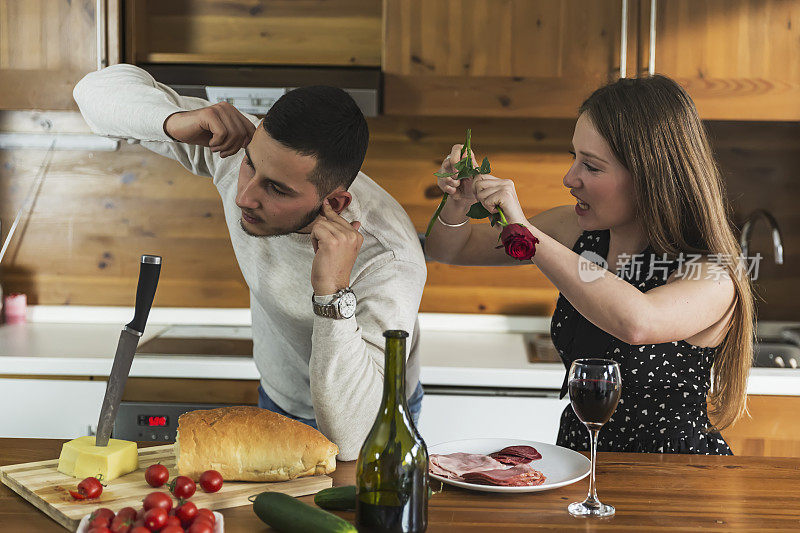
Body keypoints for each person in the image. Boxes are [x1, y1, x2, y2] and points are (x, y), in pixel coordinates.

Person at [74, 64, 426, 460]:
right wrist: (172, 119)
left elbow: (353, 435)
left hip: (370, 416)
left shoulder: (389, 259)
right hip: (278, 397)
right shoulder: (241, 150)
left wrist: (332, 294)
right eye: (250, 167)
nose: (245, 196)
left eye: (276, 189)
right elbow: (93, 90)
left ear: (335, 204)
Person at [424, 75, 755, 454]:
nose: (570, 178)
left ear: (650, 177)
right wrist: (459, 201)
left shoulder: (713, 272)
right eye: (574, 158)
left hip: (673, 478)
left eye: (592, 167)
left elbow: (638, 322)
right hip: (580, 457)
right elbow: (452, 248)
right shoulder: (572, 230)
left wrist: (528, 237)